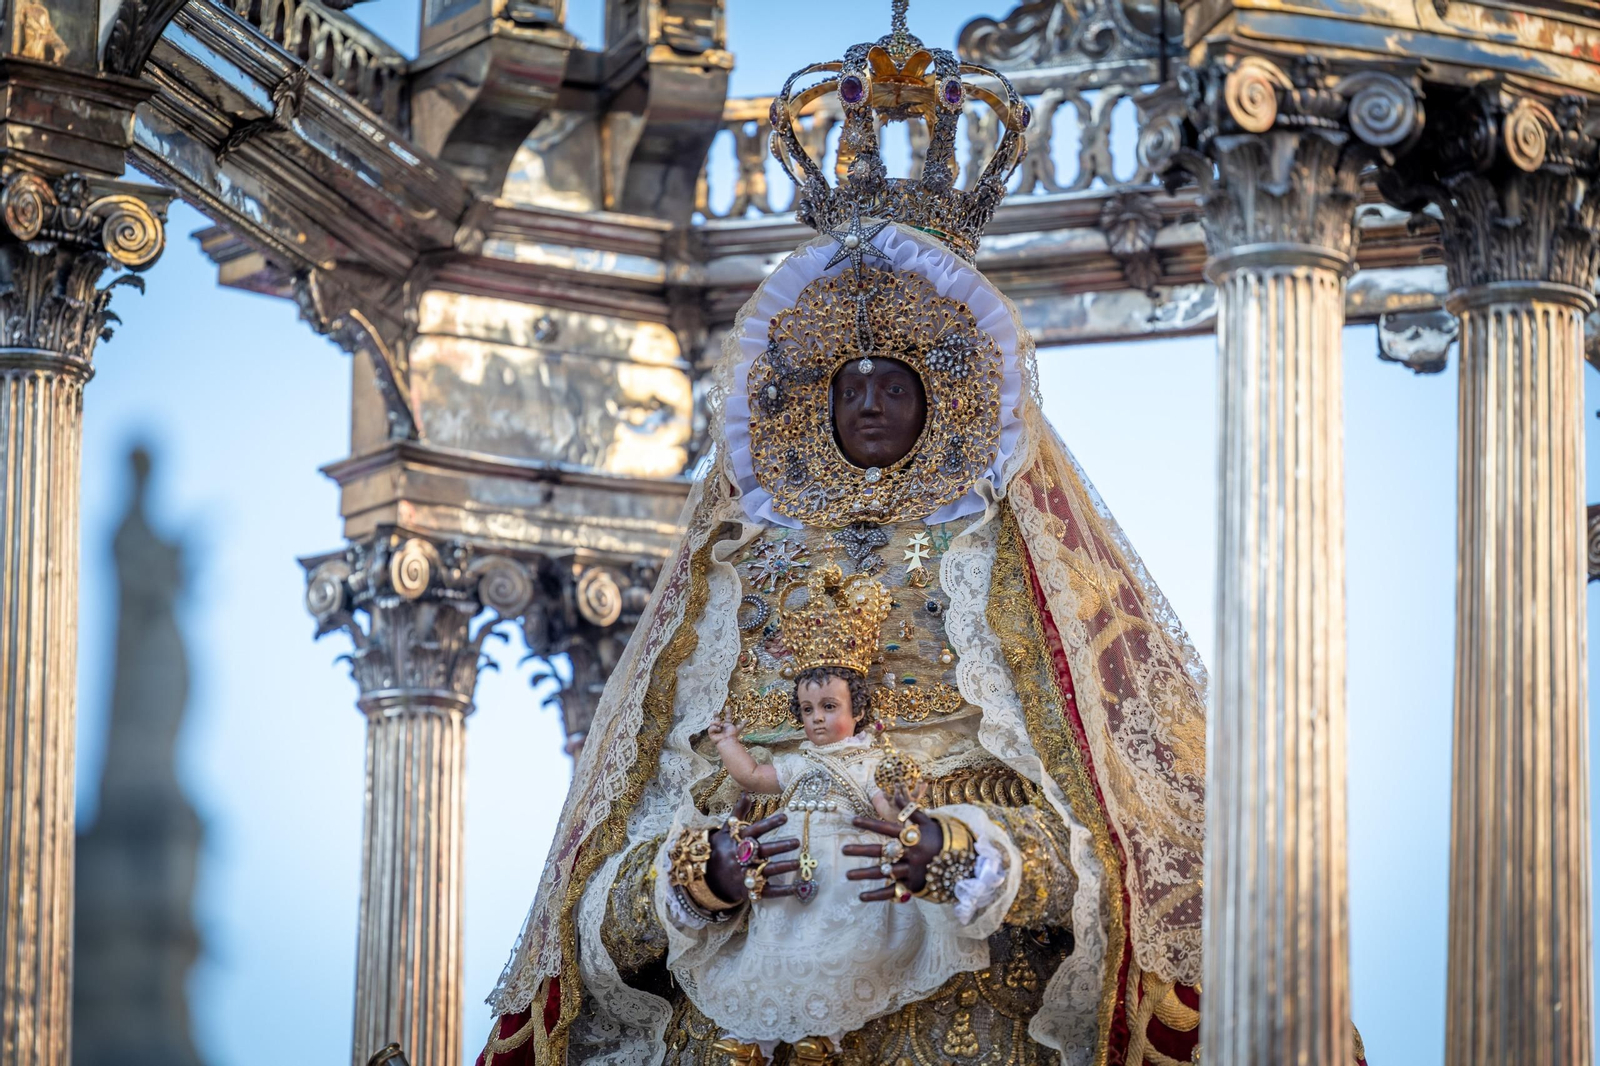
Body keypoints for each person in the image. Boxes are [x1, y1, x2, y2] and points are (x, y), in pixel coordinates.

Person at [478, 13, 1251, 1066]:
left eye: (900, 382)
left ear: (953, 398)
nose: (874, 403)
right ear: (807, 402)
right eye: (852, 383)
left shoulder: (1019, 582)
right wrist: (705, 875)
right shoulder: (732, 588)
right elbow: (596, 892)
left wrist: (967, 853)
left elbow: (1152, 857)